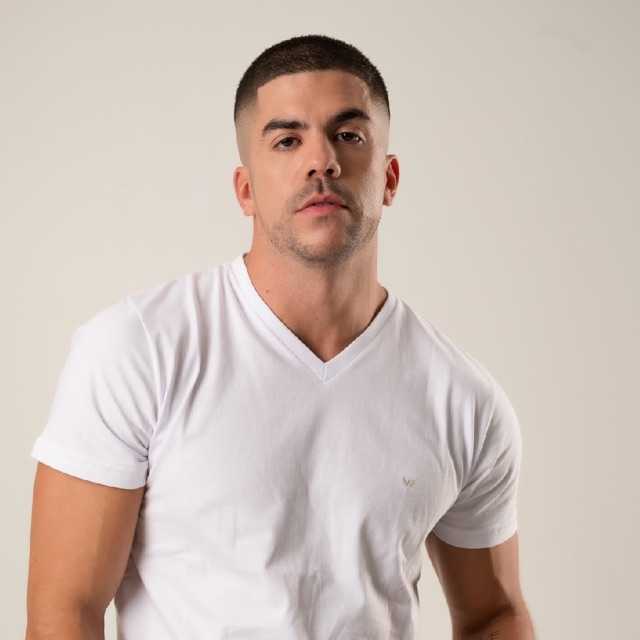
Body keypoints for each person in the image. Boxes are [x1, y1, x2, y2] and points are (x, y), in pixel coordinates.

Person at [25, 34, 535, 640]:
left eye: (349, 135)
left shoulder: (463, 399)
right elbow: (66, 610)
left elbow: (494, 613)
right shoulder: (139, 350)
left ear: (390, 178)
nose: (322, 161)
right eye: (288, 140)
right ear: (246, 189)